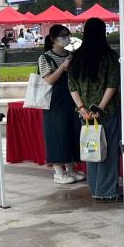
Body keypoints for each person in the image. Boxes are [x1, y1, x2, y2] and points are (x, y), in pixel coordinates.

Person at [68, 17, 123, 202]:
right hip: (107, 112)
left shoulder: (77, 57)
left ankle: (95, 188)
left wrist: (81, 108)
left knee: (91, 149)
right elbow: (112, 84)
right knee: (109, 151)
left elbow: (72, 85)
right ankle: (106, 191)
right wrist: (101, 107)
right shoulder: (110, 56)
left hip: (84, 114)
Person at [38, 25, 84, 185]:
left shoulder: (71, 54)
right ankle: (58, 172)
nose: (66, 39)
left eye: (68, 36)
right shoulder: (45, 58)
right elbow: (49, 80)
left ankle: (71, 169)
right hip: (54, 103)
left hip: (71, 100)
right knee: (56, 135)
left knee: (71, 132)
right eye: (63, 36)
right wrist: (63, 67)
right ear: (53, 39)